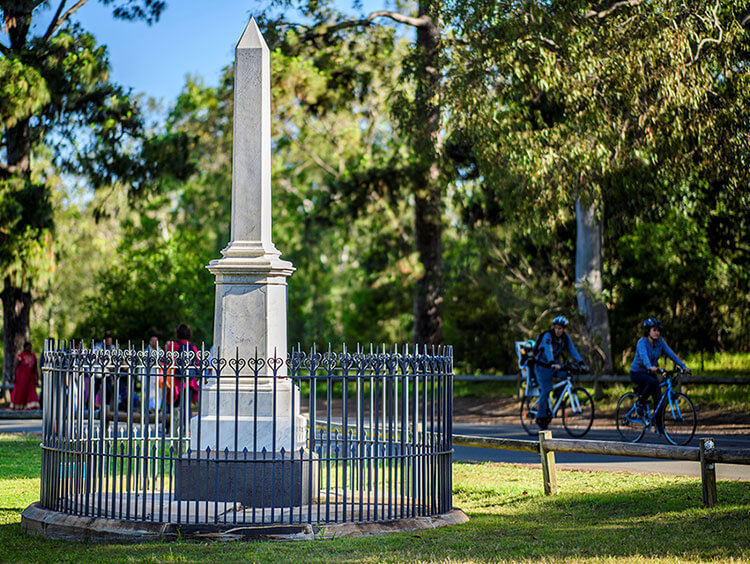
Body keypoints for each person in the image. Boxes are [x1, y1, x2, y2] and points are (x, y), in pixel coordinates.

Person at [630, 318, 690, 427]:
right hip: (637, 372)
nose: (657, 333)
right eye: (654, 330)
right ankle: (639, 403)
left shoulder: (660, 342)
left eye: (658, 330)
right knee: (653, 383)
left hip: (650, 372)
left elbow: (671, 354)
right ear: (648, 331)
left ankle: (659, 426)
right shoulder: (642, 342)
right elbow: (644, 357)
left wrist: (683, 366)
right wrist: (650, 367)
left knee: (658, 396)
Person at [533, 316, 585, 430]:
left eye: (560, 329)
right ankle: (540, 417)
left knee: (567, 375)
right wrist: (551, 361)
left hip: (554, 366)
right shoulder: (548, 336)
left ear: (564, 329)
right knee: (546, 390)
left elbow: (572, 350)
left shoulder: (565, 338)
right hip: (542, 367)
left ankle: (558, 396)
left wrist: (581, 362)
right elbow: (548, 349)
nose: (557, 331)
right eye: (556, 328)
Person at [165, 324, 200, 406]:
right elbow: (198, 362)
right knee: (187, 406)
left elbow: (167, 360)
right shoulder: (193, 347)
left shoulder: (174, 345)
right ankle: (187, 418)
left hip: (176, 380)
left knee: (173, 406)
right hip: (190, 380)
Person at [10, 341, 40, 410]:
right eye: (28, 346)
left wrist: (37, 377)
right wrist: (14, 376)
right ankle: (19, 407)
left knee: (31, 393)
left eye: (30, 347)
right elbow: (15, 366)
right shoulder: (20, 356)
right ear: (25, 347)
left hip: (30, 379)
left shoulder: (33, 356)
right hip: (21, 378)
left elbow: (35, 368)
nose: (30, 348)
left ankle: (31, 407)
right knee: (21, 392)